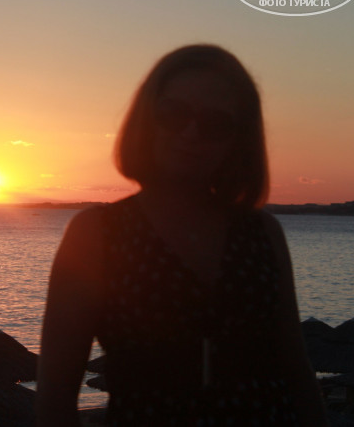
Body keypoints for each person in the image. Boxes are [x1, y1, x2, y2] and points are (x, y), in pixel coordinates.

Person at [36, 44, 328, 426]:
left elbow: (296, 371)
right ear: (148, 119)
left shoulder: (263, 233)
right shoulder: (97, 235)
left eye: (215, 123)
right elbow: (56, 395)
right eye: (173, 114)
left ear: (238, 139)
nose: (191, 133)